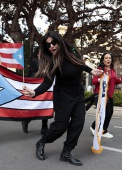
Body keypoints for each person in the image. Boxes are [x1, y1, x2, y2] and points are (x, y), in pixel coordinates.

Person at [22, 31, 103, 166]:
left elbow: (79, 64)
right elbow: (47, 82)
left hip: (78, 95)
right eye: (48, 45)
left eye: (54, 43)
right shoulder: (52, 62)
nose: (52, 46)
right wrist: (34, 92)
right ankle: (41, 142)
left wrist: (91, 71)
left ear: (59, 42)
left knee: (78, 124)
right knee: (61, 126)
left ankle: (66, 152)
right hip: (63, 97)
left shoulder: (72, 51)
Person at [90, 52, 122, 138]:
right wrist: (102, 79)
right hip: (101, 94)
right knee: (103, 113)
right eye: (106, 58)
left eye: (110, 58)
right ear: (103, 60)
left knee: (109, 112)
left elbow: (116, 81)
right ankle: (97, 128)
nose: (108, 60)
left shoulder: (112, 70)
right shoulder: (100, 69)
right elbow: (93, 81)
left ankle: (102, 129)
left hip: (110, 95)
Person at [21, 46, 48, 134]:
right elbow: (30, 74)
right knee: (36, 107)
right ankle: (26, 121)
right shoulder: (34, 61)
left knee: (45, 107)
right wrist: (40, 73)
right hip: (36, 88)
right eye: (41, 51)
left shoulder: (47, 62)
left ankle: (44, 127)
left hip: (46, 88)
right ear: (37, 52)